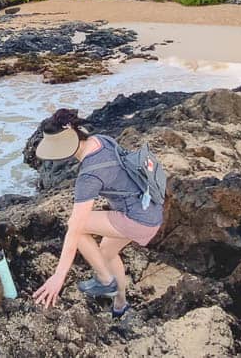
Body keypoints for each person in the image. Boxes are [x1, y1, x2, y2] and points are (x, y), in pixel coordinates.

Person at [31, 108, 163, 318]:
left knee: (78, 226)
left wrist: (58, 276)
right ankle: (120, 306)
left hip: (138, 219)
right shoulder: (102, 140)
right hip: (150, 207)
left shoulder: (89, 176)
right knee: (106, 253)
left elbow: (75, 228)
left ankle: (104, 281)